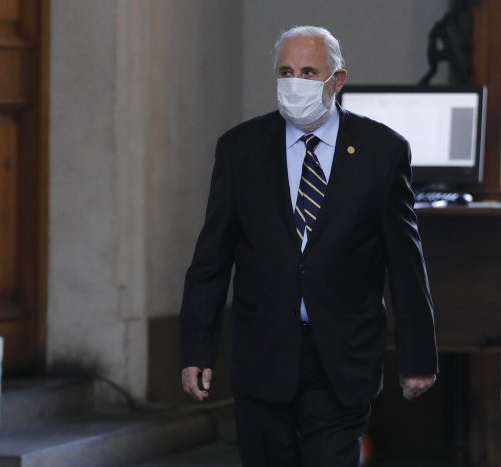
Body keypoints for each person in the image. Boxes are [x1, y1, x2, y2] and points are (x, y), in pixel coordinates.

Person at [179, 26, 438, 466]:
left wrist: (418, 357)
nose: (294, 82)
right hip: (264, 352)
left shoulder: (382, 152)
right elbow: (211, 258)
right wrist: (196, 350)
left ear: (337, 80)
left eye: (308, 72)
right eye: (286, 72)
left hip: (342, 354)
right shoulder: (240, 149)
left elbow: (405, 263)